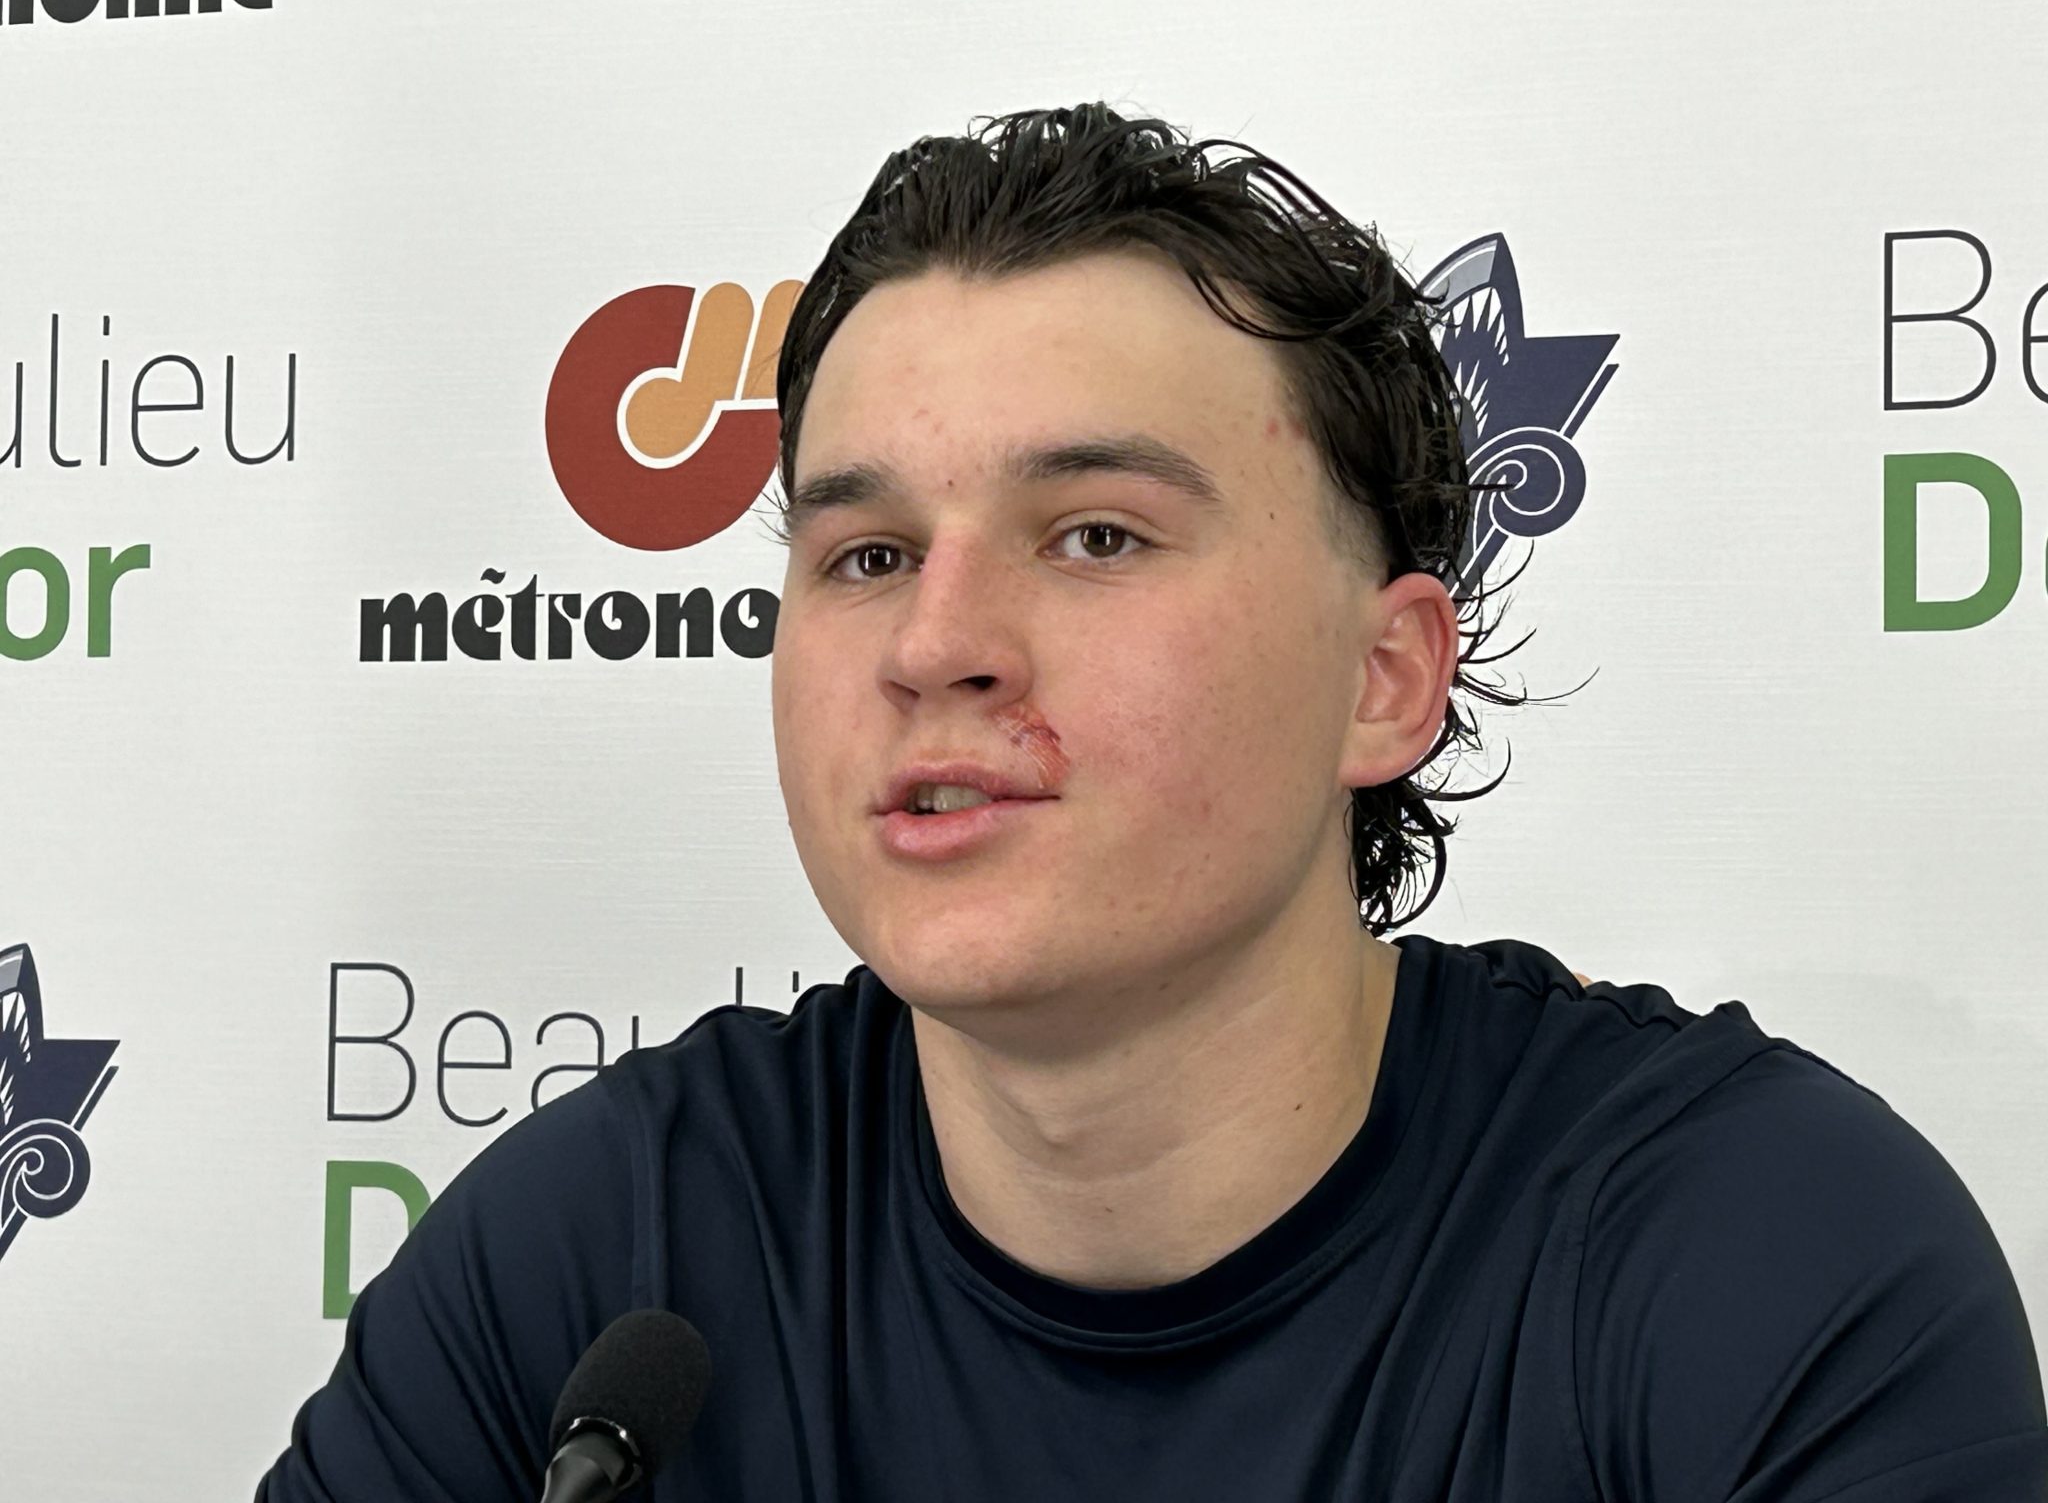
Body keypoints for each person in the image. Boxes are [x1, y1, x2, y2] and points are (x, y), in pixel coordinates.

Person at [257, 103, 2048, 1501]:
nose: (936, 644)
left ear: (1384, 678)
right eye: (868, 554)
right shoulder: (590, 1262)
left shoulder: (1756, 1253)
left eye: (1097, 536)